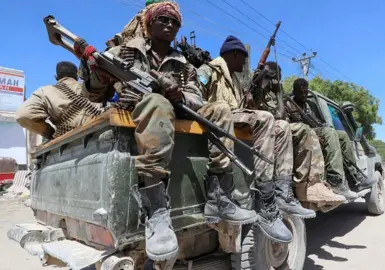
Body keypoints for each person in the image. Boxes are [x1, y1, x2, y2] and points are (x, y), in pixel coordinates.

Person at [76, 1, 234, 261]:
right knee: (156, 101)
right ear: (149, 24)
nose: (170, 25)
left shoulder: (184, 64)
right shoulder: (123, 53)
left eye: (175, 22)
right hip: (138, 117)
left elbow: (198, 99)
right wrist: (93, 72)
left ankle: (219, 193)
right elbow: (94, 94)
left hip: (179, 116)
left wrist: (180, 93)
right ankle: (157, 212)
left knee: (220, 110)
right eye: (163, 19)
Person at [197, 36, 299, 244]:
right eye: (243, 58)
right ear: (233, 54)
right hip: (217, 120)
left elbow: (242, 111)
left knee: (282, 125)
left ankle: (279, 192)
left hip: (232, 122)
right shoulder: (209, 71)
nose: (245, 64)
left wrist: (250, 101)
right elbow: (195, 100)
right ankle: (264, 201)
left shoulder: (235, 79)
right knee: (265, 117)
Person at [248, 62, 346, 212]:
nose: (278, 82)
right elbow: (280, 117)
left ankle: (321, 184)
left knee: (317, 131)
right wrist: (279, 93)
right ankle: (305, 187)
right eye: (276, 78)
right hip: (268, 133)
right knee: (304, 130)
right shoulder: (259, 91)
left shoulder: (272, 94)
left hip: (281, 132)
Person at [285, 78, 377, 200]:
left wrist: (319, 129)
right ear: (294, 91)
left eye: (306, 92)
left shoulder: (307, 106)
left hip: (312, 132)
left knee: (343, 136)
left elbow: (316, 123)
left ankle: (354, 179)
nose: (303, 95)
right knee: (329, 132)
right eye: (300, 92)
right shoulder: (288, 103)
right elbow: (286, 127)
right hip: (299, 137)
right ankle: (336, 181)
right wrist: (313, 134)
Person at [16, 61, 103, 139]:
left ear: (56, 76)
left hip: (72, 140)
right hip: (103, 129)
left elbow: (23, 115)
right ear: (77, 75)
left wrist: (50, 133)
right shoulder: (90, 87)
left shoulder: (45, 91)